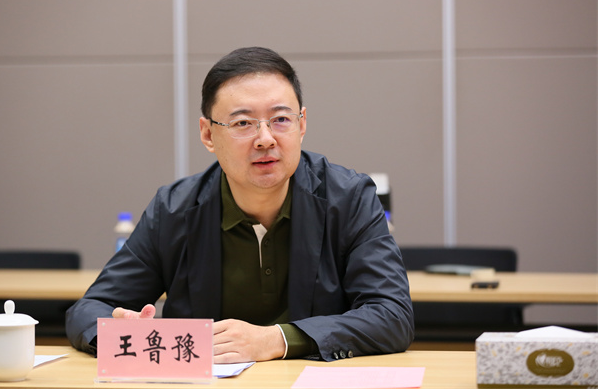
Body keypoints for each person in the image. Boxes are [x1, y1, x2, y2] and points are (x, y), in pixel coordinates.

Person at [66, 46, 414, 363]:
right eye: (243, 123)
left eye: (281, 119)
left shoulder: (349, 199)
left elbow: (392, 315)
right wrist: (119, 332)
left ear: (302, 123)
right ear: (208, 134)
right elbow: (90, 310)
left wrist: (277, 340)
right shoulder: (173, 210)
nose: (265, 139)